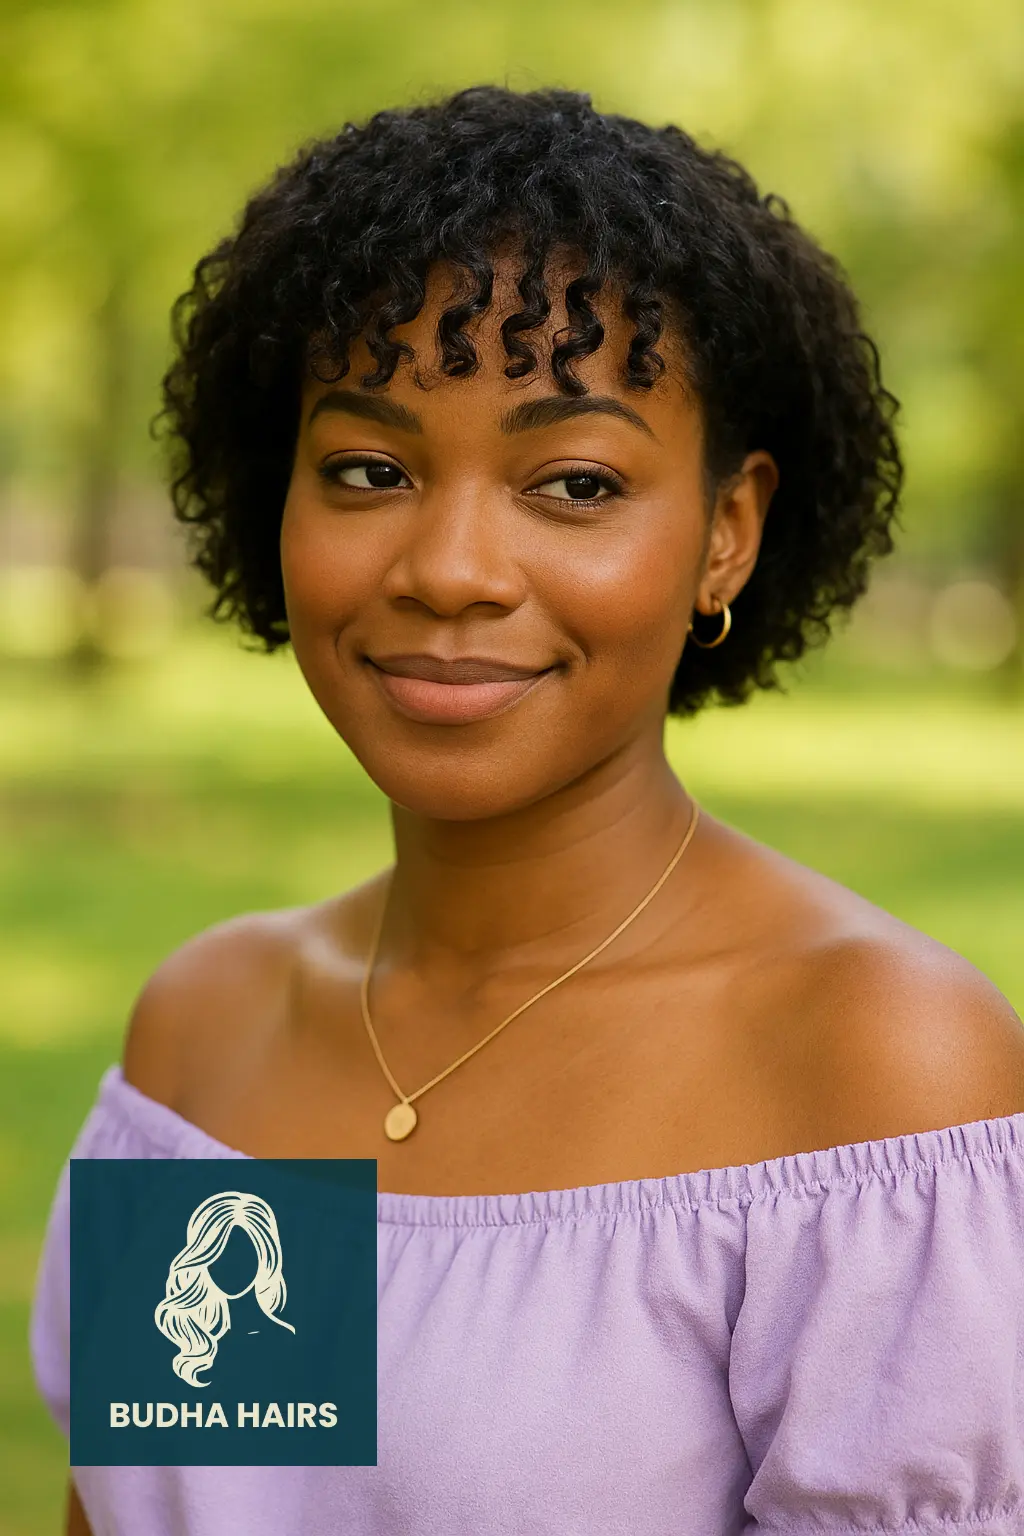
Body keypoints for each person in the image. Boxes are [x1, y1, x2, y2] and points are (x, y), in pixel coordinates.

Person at [32, 86, 1024, 1536]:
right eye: (368, 469)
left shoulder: (874, 1074)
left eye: (572, 481)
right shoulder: (213, 1035)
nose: (448, 567)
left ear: (724, 534)